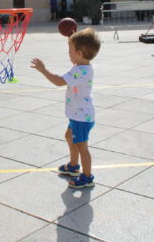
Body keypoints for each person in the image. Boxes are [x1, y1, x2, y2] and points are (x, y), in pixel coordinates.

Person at [31, 28, 101, 188]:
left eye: (70, 50)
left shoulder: (82, 70)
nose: (68, 53)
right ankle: (73, 166)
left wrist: (43, 70)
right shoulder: (80, 67)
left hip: (81, 117)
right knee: (69, 137)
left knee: (82, 146)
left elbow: (59, 81)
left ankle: (87, 177)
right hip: (78, 114)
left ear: (80, 53)